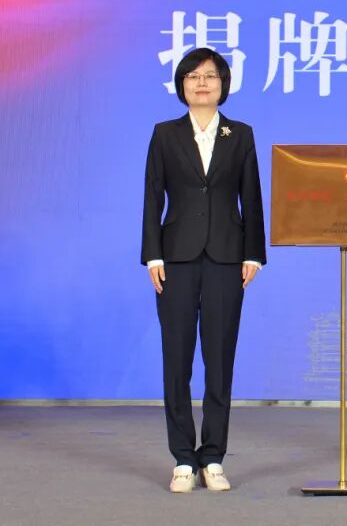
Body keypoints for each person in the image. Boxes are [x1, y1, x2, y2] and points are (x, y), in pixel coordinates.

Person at [141, 47, 267, 493]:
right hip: (174, 258)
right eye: (192, 76)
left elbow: (251, 197)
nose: (201, 83)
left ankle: (212, 457)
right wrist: (153, 256)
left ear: (223, 84)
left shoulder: (241, 134)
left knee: (219, 359)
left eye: (210, 76)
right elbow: (152, 195)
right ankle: (182, 458)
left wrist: (253, 254)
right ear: (181, 85)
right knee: (176, 359)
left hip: (227, 258)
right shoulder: (165, 134)